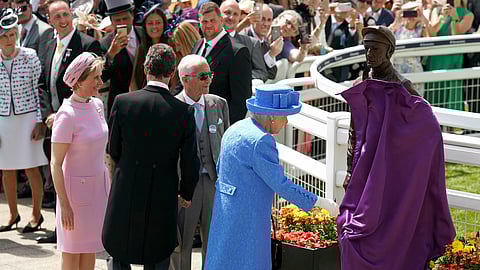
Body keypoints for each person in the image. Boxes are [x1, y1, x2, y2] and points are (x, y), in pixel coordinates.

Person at [337, 26, 456, 270]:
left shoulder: (402, 87)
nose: (369, 54)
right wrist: (350, 169)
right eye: (366, 48)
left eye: (375, 49)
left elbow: (427, 126)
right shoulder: (363, 83)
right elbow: (354, 130)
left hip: (391, 171)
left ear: (389, 51)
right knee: (351, 231)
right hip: (365, 170)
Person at [103, 44, 200, 270]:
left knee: (119, 251)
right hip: (163, 192)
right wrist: (186, 192)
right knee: (157, 255)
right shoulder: (183, 112)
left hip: (126, 186)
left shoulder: (122, 102)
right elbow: (189, 160)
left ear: (146, 69)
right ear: (172, 73)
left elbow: (113, 148)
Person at [203, 84, 319, 270]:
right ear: (272, 117)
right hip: (249, 220)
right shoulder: (262, 140)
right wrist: (317, 203)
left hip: (225, 213)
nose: (287, 122)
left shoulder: (235, 128)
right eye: (284, 116)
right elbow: (281, 184)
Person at [36, 0, 102, 244]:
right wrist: (47, 114)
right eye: (57, 16)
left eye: (66, 14)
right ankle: (59, 226)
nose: (63, 20)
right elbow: (43, 82)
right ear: (50, 20)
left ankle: (73, 227)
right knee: (55, 171)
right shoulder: (47, 44)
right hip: (53, 119)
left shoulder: (87, 45)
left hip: (74, 121)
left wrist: (64, 112)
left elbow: (86, 86)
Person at [169, 55, 230, 270]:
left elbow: (225, 144)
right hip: (185, 186)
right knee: (182, 243)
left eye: (210, 75)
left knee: (214, 240)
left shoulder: (218, 103)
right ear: (185, 79)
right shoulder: (172, 107)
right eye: (203, 76)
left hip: (213, 182)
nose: (208, 80)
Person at [50, 52, 107, 270]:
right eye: (96, 78)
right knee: (72, 255)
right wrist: (64, 204)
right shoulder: (66, 115)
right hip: (74, 196)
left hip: (97, 190)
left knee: (90, 250)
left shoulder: (97, 105)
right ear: (79, 81)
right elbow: (56, 163)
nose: (100, 83)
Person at [0, 8, 47, 233]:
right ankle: (12, 214)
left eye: (12, 35)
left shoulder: (30, 55)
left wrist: (40, 121)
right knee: (6, 169)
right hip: (3, 120)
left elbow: (39, 89)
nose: (9, 40)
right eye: (4, 36)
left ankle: (37, 215)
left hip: (28, 117)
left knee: (31, 168)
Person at [192, 2, 252, 124]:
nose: (208, 25)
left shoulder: (237, 51)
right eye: (204, 21)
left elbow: (240, 100)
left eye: (212, 21)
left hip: (217, 123)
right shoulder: (198, 45)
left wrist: (225, 129)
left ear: (220, 20)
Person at [424, 0, 473, 111]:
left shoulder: (468, 14)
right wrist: (442, 16)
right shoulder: (436, 11)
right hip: (435, 59)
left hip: (453, 59)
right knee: (434, 93)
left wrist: (454, 17)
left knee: (452, 94)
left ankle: (452, 126)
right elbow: (432, 33)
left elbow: (458, 33)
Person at [100, 0, 147, 114]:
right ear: (111, 21)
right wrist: (111, 54)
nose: (122, 23)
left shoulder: (145, 34)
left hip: (147, 100)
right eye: (117, 20)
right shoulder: (105, 43)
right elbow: (101, 77)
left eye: (125, 18)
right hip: (122, 105)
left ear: (132, 16)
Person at [220, 0, 268, 82]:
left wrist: (240, 75)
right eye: (227, 12)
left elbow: (262, 73)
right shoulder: (207, 40)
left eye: (235, 14)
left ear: (239, 17)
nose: (231, 17)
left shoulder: (252, 44)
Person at [130, 2, 168, 91]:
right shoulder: (141, 49)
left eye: (158, 22)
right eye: (150, 23)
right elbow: (134, 81)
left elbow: (175, 83)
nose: (154, 26)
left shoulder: (171, 47)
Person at [242, 4, 283, 81]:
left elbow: (272, 74)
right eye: (262, 19)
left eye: (269, 20)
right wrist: (271, 54)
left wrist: (272, 54)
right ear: (254, 19)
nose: (266, 24)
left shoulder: (266, 41)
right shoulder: (244, 37)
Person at [168, 21, 201, 93]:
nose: (177, 49)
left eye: (179, 44)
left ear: (187, 42)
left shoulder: (202, 62)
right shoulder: (179, 62)